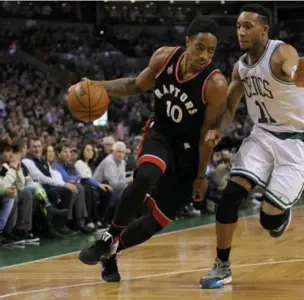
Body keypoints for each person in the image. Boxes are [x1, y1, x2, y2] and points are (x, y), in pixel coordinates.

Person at [72, 15, 228, 282]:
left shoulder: (215, 84)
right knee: (145, 175)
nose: (204, 55)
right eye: (200, 47)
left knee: (156, 221)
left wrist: (201, 176)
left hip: (189, 153)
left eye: (211, 51)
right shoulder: (163, 58)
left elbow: (206, 135)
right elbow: (135, 85)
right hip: (161, 135)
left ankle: (112, 251)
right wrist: (100, 87)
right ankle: (109, 234)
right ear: (187, 41)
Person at [199, 4, 304, 289]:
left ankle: (279, 213)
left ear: (264, 30)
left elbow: (292, 64)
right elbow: (230, 106)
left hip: (299, 142)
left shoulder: (280, 52)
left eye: (248, 26)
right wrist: (218, 129)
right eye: (239, 26)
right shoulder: (241, 67)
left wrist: (297, 72)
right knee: (230, 195)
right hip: (263, 136)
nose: (241, 30)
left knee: (268, 219)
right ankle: (222, 266)